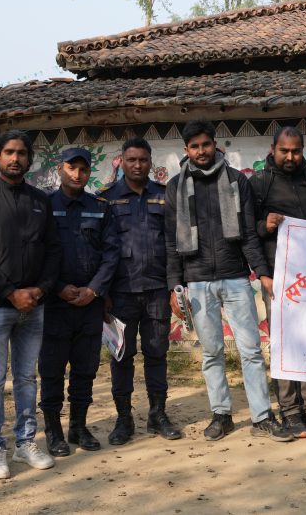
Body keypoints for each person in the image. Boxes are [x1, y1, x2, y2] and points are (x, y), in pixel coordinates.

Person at [165, 121, 292, 442]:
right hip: (196, 281)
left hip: (235, 278)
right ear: (186, 150)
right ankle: (221, 415)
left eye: (206, 144)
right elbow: (171, 241)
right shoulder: (175, 187)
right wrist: (174, 286)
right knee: (211, 353)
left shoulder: (236, 181)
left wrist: (262, 273)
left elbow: (248, 234)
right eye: (195, 146)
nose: (201, 151)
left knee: (251, 351)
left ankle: (262, 416)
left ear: (215, 144)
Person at [0, 130, 61, 478]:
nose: (15, 158)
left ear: (29, 158)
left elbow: (53, 250)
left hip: (34, 305)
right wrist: (9, 292)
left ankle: (25, 442)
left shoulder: (40, 200)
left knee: (26, 377)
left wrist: (40, 290)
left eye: (21, 153)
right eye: (9, 152)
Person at [250, 126, 306, 438]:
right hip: (277, 277)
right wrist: (264, 229)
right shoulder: (258, 183)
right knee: (283, 344)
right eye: (284, 150)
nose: (290, 157)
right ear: (273, 149)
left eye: (296, 151)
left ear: (303, 150)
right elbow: (248, 232)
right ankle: (290, 412)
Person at [39, 148, 120, 457]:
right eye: (71, 168)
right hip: (54, 304)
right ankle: (53, 431)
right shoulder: (45, 206)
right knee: (52, 370)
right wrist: (58, 288)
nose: (77, 174)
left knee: (85, 369)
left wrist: (94, 290)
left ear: (89, 173)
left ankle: (78, 427)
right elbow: (36, 252)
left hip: (89, 304)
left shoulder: (100, 208)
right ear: (60, 169)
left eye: (83, 169)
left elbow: (111, 254)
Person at [101, 137, 182, 444]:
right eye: (131, 160)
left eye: (143, 160)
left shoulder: (164, 196)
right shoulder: (107, 198)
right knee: (121, 356)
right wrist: (102, 293)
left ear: (151, 162)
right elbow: (101, 249)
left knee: (157, 353)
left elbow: (173, 244)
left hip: (157, 290)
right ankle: (124, 419)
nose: (137, 165)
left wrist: (174, 287)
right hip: (120, 293)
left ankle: (157, 414)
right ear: (121, 162)